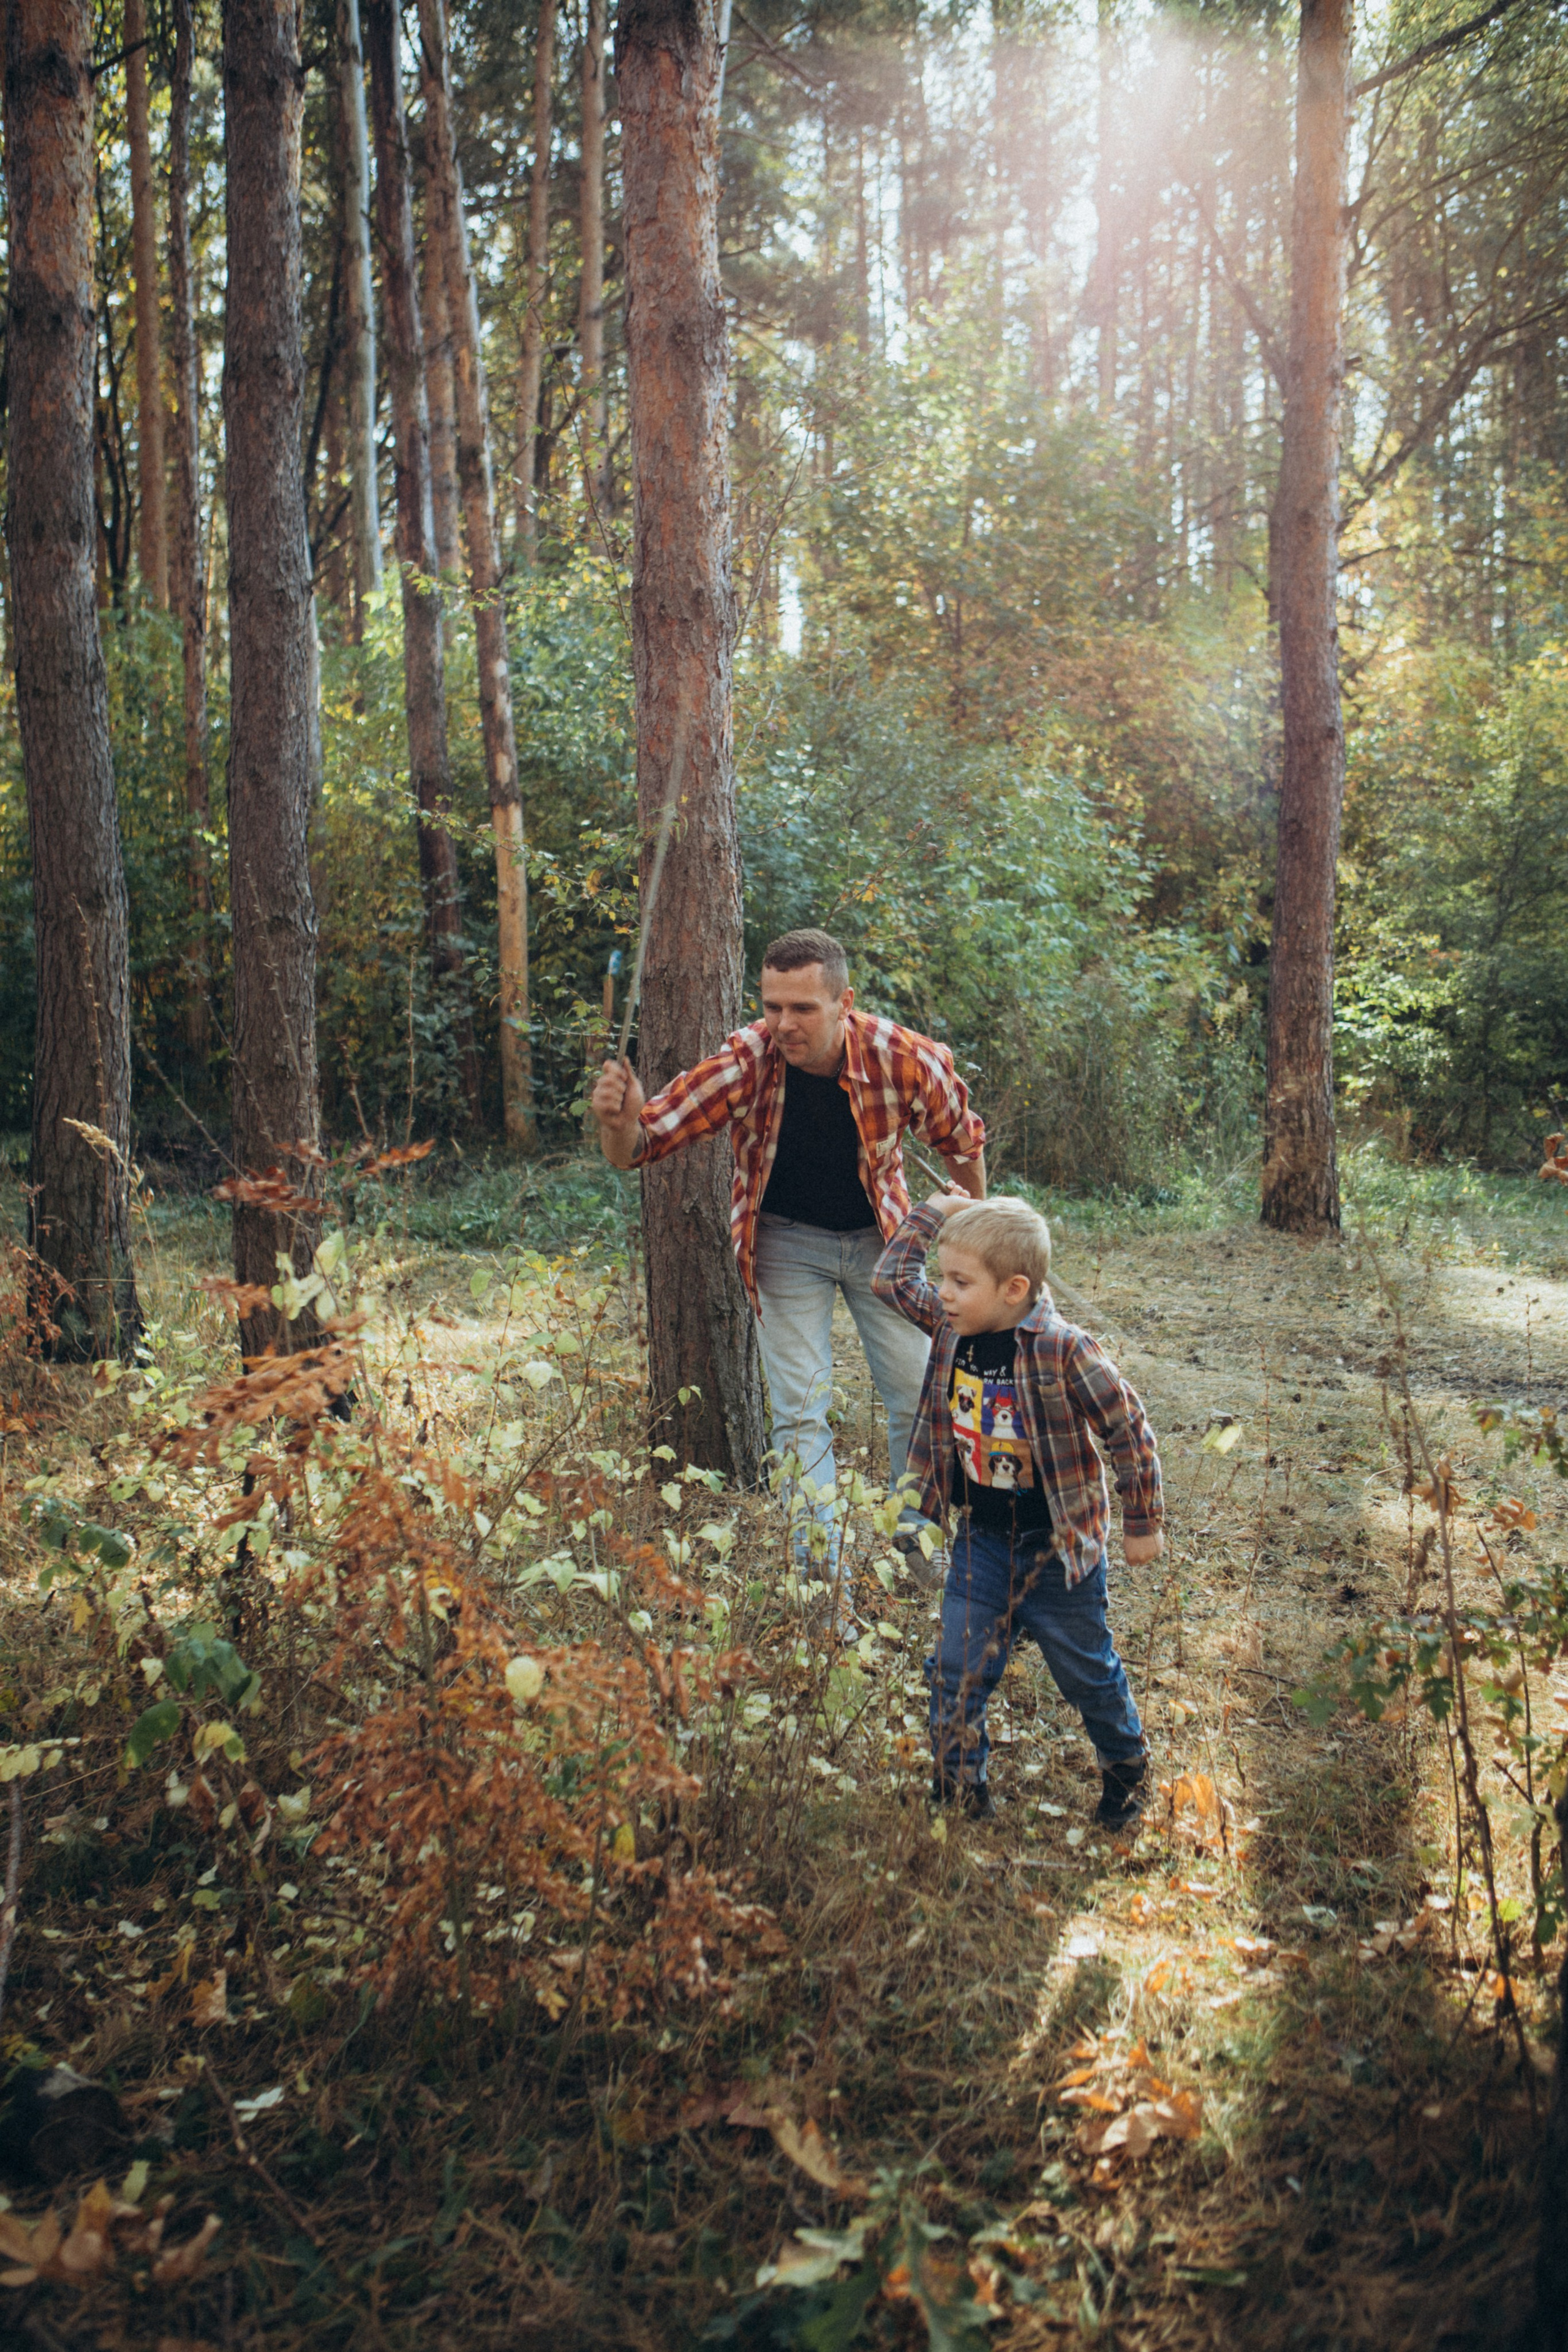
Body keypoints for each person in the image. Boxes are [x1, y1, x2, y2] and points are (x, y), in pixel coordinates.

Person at [589, 929, 987, 1611]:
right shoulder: (748, 1058)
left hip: (882, 1241)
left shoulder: (902, 1057)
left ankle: (917, 1542)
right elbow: (642, 1143)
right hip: (784, 1242)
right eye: (772, 1005)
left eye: (802, 1008)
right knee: (800, 1410)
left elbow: (962, 1139)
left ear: (843, 1003)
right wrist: (616, 1122)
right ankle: (817, 1575)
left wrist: (978, 1243)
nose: (782, 1024)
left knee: (917, 1396)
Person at [872, 1189, 1163, 1826]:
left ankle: (1127, 1774)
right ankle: (957, 1792)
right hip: (981, 1541)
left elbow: (1127, 1427)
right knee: (956, 1667)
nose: (942, 1292)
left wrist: (1141, 1522)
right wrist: (932, 1212)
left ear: (1014, 1289)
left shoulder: (1064, 1350)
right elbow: (889, 1279)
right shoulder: (952, 1330)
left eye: (959, 1281)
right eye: (943, 1279)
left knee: (1087, 1674)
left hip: (1057, 1550)